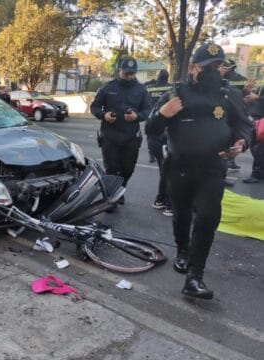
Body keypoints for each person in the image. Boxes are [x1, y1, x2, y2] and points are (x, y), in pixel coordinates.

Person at [146, 43, 253, 299]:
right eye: (208, 67)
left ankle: (195, 277)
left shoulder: (229, 95)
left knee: (207, 217)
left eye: (218, 67)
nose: (214, 72)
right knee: (182, 215)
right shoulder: (176, 93)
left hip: (213, 168)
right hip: (179, 167)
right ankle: (183, 251)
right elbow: (151, 129)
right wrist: (162, 114)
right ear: (193, 67)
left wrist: (241, 143)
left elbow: (243, 126)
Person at [91, 56, 151, 204]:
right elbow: (95, 107)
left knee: (128, 169)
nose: (130, 77)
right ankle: (111, 198)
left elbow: (147, 110)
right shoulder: (108, 87)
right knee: (112, 168)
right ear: (120, 71)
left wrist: (137, 116)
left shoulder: (141, 89)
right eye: (127, 73)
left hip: (131, 137)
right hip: (110, 136)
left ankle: (119, 189)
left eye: (132, 73)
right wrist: (104, 115)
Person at [146, 69, 173, 216]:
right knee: (170, 172)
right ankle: (169, 204)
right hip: (164, 136)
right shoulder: (171, 91)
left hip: (153, 131)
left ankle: (160, 199)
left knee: (164, 171)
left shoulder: (150, 87)